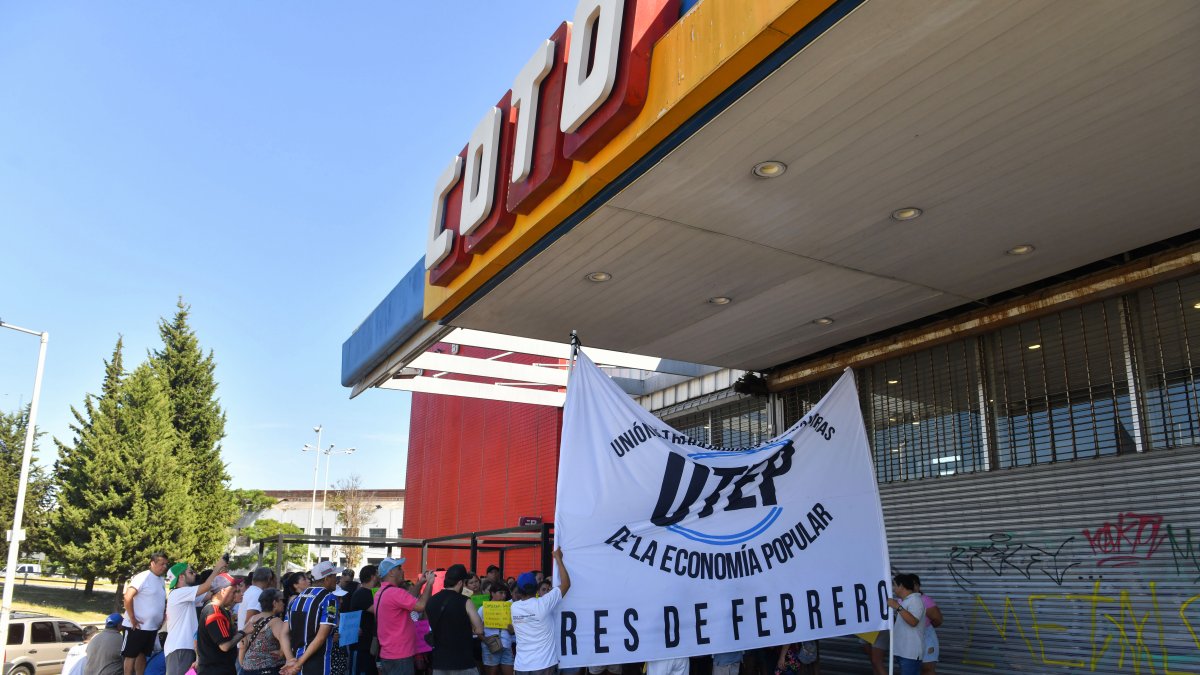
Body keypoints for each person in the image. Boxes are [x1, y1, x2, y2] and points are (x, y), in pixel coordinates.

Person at [165, 556, 230, 675]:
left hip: (183, 647)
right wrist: (217, 568)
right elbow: (206, 586)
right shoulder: (178, 593)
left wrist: (221, 575)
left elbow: (210, 593)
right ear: (181, 577)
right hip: (180, 648)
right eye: (191, 572)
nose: (195, 574)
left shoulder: (184, 595)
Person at [510, 549, 570, 675]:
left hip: (521, 666)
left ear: (519, 591)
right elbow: (566, 584)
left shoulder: (514, 608)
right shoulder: (543, 604)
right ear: (537, 588)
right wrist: (558, 558)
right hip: (544, 665)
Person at [373, 558, 435, 675]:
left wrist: (420, 583)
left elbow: (408, 599)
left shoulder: (382, 592)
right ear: (391, 572)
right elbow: (421, 606)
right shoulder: (395, 593)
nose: (403, 571)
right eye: (399, 568)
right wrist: (430, 584)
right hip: (400, 655)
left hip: (390, 653)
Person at [425, 563, 485, 675]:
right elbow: (479, 630)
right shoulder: (466, 601)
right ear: (460, 582)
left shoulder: (431, 601)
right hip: (463, 662)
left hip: (439, 662)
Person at [287, 560, 345, 675]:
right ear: (326, 578)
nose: (336, 580)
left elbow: (284, 632)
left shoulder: (297, 598)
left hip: (295, 662)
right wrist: (299, 664)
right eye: (334, 576)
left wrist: (290, 660)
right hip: (317, 664)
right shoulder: (330, 599)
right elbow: (321, 637)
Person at [123, 552, 171, 675]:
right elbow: (128, 597)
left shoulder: (160, 580)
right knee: (131, 655)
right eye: (162, 564)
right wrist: (132, 618)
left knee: (142, 654)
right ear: (152, 563)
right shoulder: (142, 577)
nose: (164, 567)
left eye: (166, 564)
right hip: (136, 626)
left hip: (151, 627)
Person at [240, 588, 296, 675]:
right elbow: (286, 641)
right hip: (269, 668)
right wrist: (286, 656)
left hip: (247, 668)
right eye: (282, 600)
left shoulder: (252, 619)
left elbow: (243, 645)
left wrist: (243, 664)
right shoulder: (275, 622)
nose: (284, 603)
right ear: (274, 603)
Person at [197, 573, 244, 675]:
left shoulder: (218, 609)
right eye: (233, 592)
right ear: (223, 591)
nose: (235, 595)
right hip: (216, 670)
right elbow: (225, 646)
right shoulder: (214, 612)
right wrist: (244, 632)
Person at [885, 574, 925, 675]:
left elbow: (913, 622)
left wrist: (897, 606)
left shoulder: (915, 600)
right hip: (903, 652)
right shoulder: (906, 602)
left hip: (910, 653)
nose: (893, 589)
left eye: (894, 585)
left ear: (901, 586)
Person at [347, 565, 381, 675]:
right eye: (378, 574)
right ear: (373, 577)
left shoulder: (372, 592)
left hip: (369, 644)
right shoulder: (362, 593)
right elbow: (380, 611)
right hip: (361, 645)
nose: (380, 576)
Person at [478, 584, 514, 675]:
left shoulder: (510, 608)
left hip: (506, 645)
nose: (504, 596)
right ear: (492, 593)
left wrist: (511, 629)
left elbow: (513, 631)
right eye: (500, 593)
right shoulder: (483, 609)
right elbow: (477, 629)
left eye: (505, 593)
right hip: (490, 646)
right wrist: (486, 641)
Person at [912, 576, 942, 674]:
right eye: (910, 585)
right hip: (910, 639)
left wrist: (925, 626)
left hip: (926, 636)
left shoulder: (925, 600)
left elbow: (938, 620)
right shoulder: (901, 601)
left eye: (915, 584)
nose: (913, 587)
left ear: (919, 586)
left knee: (927, 669)